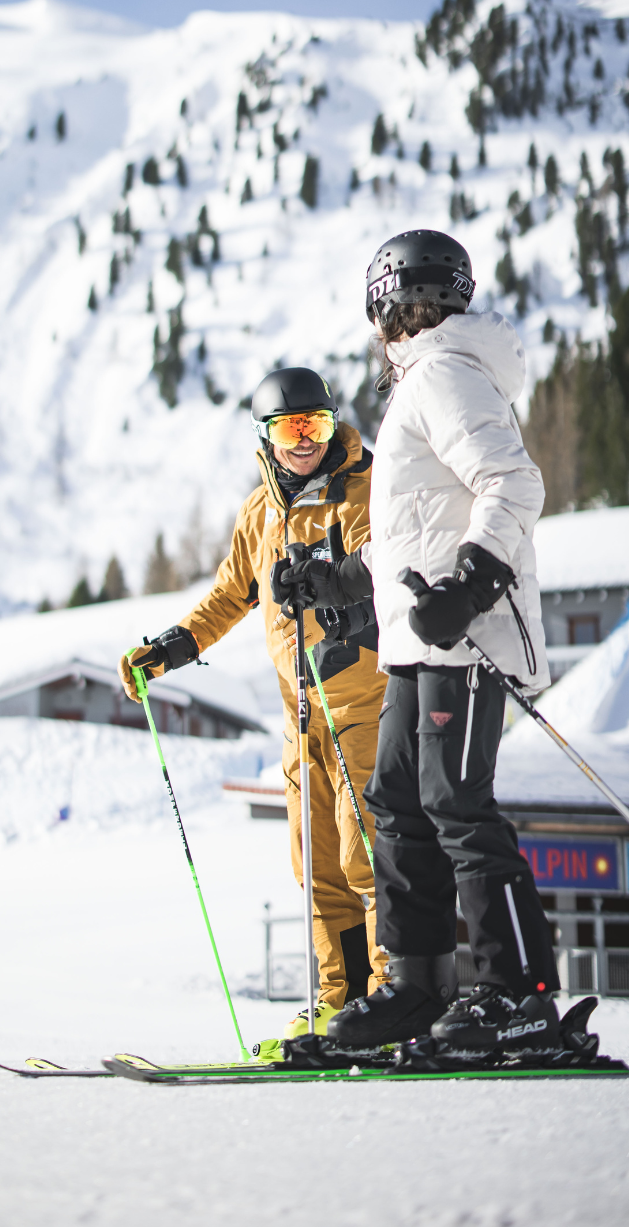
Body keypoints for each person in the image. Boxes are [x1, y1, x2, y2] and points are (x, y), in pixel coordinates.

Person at [293, 230, 559, 1054]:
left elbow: (513, 484)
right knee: (400, 804)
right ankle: (417, 988)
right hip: (420, 642)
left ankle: (516, 996)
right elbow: (418, 529)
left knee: (455, 806)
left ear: (387, 309)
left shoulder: (443, 374)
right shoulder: (425, 379)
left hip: (465, 640)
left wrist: (472, 586)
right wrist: (339, 579)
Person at [119, 366, 386, 1056]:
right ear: (266, 437)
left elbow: (383, 571)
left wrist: (331, 585)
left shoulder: (364, 489)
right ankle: (342, 1004)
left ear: (333, 423)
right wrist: (171, 648)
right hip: (301, 719)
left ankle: (394, 998)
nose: (305, 442)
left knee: (368, 855)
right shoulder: (260, 513)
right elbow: (229, 595)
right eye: (289, 430)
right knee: (317, 867)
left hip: (364, 705)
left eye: (315, 425)